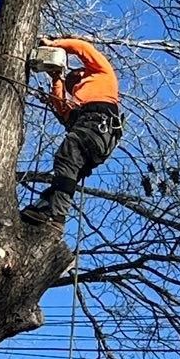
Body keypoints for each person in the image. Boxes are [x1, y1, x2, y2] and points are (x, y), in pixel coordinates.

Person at [21, 35, 122, 227]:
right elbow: (62, 109)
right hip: (97, 136)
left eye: (74, 81)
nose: (74, 86)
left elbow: (83, 48)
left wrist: (53, 45)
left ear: (83, 73)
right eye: (71, 86)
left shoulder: (102, 74)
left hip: (97, 126)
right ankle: (44, 208)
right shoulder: (78, 105)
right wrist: (56, 79)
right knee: (66, 174)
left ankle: (56, 216)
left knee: (67, 155)